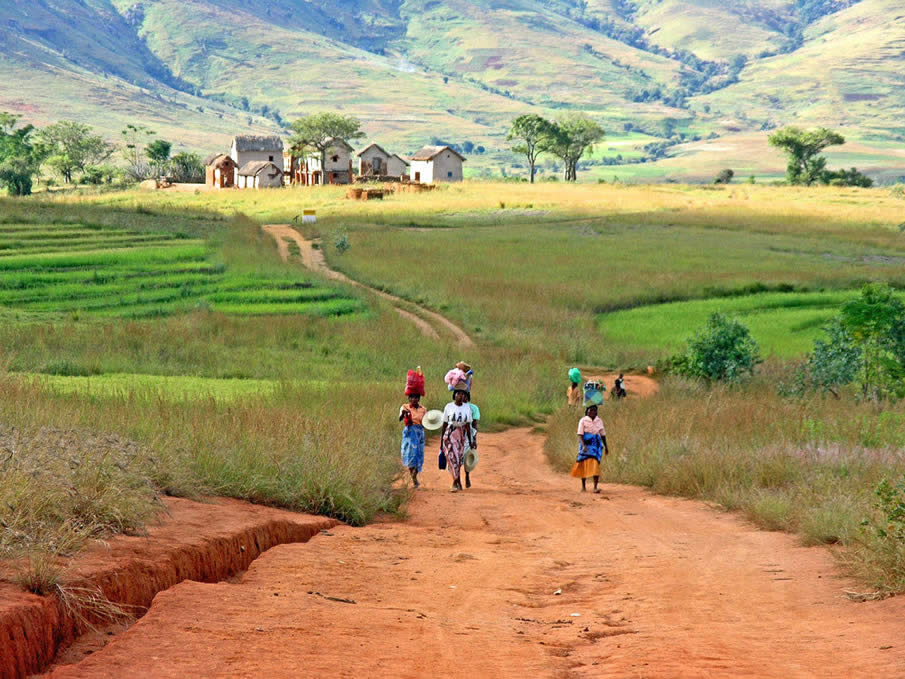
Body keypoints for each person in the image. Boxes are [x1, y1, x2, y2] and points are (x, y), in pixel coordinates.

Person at [440, 385, 474, 492]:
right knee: (451, 458)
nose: (460, 396)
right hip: (449, 435)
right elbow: (445, 423)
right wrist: (441, 440)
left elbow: (468, 426)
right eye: (458, 393)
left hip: (460, 436)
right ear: (454, 395)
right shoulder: (448, 407)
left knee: (458, 460)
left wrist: (471, 440)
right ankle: (454, 483)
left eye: (462, 394)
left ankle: (458, 481)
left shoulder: (466, 408)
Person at [571, 404, 609, 493]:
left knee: (596, 465)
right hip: (585, 445)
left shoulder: (599, 421)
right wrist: (583, 446)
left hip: (595, 446)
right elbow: (580, 434)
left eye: (593, 410)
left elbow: (603, 435)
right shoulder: (583, 420)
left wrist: (606, 447)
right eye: (589, 410)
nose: (591, 412)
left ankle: (595, 487)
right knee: (583, 465)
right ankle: (583, 486)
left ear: (596, 412)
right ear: (587, 411)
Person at [400, 393, 427, 487]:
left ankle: (414, 475)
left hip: (419, 433)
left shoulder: (423, 409)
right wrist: (404, 414)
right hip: (409, 433)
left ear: (419, 398)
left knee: (418, 455)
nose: (414, 399)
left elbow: (425, 422)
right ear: (409, 398)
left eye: (416, 397)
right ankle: (414, 478)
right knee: (411, 454)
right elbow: (400, 418)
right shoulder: (405, 407)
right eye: (412, 397)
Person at [463, 391, 480, 489]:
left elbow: (474, 425)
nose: (462, 397)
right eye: (459, 394)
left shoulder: (473, 408)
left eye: (464, 395)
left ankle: (467, 476)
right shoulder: (452, 407)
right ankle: (456, 479)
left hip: (467, 435)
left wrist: (474, 440)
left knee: (467, 456)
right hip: (456, 435)